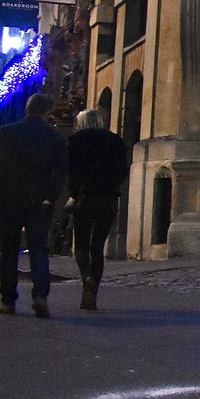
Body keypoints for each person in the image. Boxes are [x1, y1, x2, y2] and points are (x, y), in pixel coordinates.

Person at [0, 92, 68, 317]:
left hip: (10, 200)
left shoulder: (6, 133)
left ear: (28, 109)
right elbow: (60, 173)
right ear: (47, 112)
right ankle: (40, 296)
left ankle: (7, 301)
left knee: (9, 252)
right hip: (39, 202)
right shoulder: (53, 137)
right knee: (38, 250)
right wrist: (50, 197)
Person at [66, 108, 130, 311]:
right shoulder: (114, 141)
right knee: (98, 248)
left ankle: (87, 279)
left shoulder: (75, 141)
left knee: (82, 246)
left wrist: (73, 192)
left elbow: (72, 171)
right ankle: (93, 293)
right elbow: (122, 169)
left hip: (85, 198)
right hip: (108, 198)